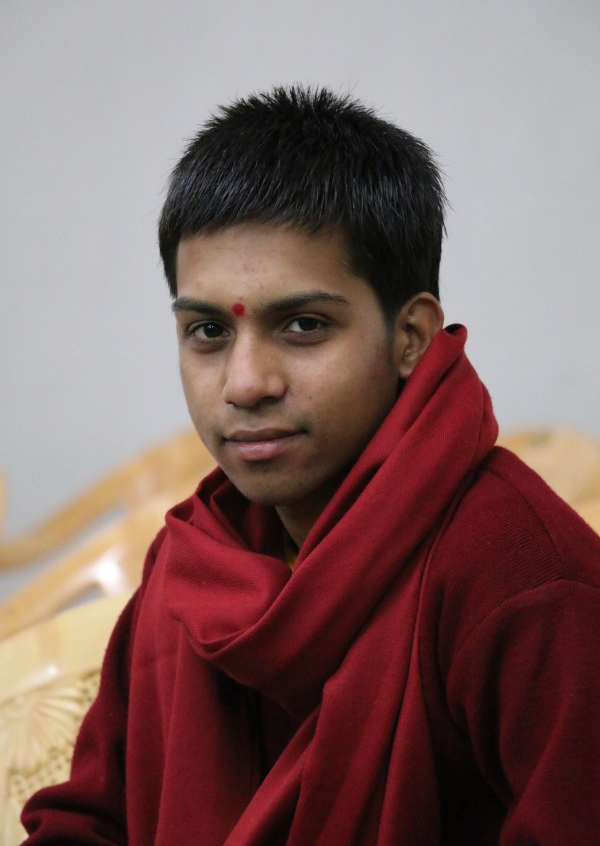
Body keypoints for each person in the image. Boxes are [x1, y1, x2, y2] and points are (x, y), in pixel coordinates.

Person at [22, 86, 600, 845]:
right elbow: (88, 823)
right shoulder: (192, 569)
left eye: (302, 325)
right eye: (206, 332)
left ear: (412, 337)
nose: (244, 383)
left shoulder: (522, 577)